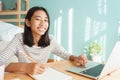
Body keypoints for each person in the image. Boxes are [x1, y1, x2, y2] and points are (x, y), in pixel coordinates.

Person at [0, 6, 87, 75]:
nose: (43, 23)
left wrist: (76, 58)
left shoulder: (50, 39)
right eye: (38, 19)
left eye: (46, 20)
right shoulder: (19, 39)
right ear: (28, 22)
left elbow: (64, 53)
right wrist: (24, 67)